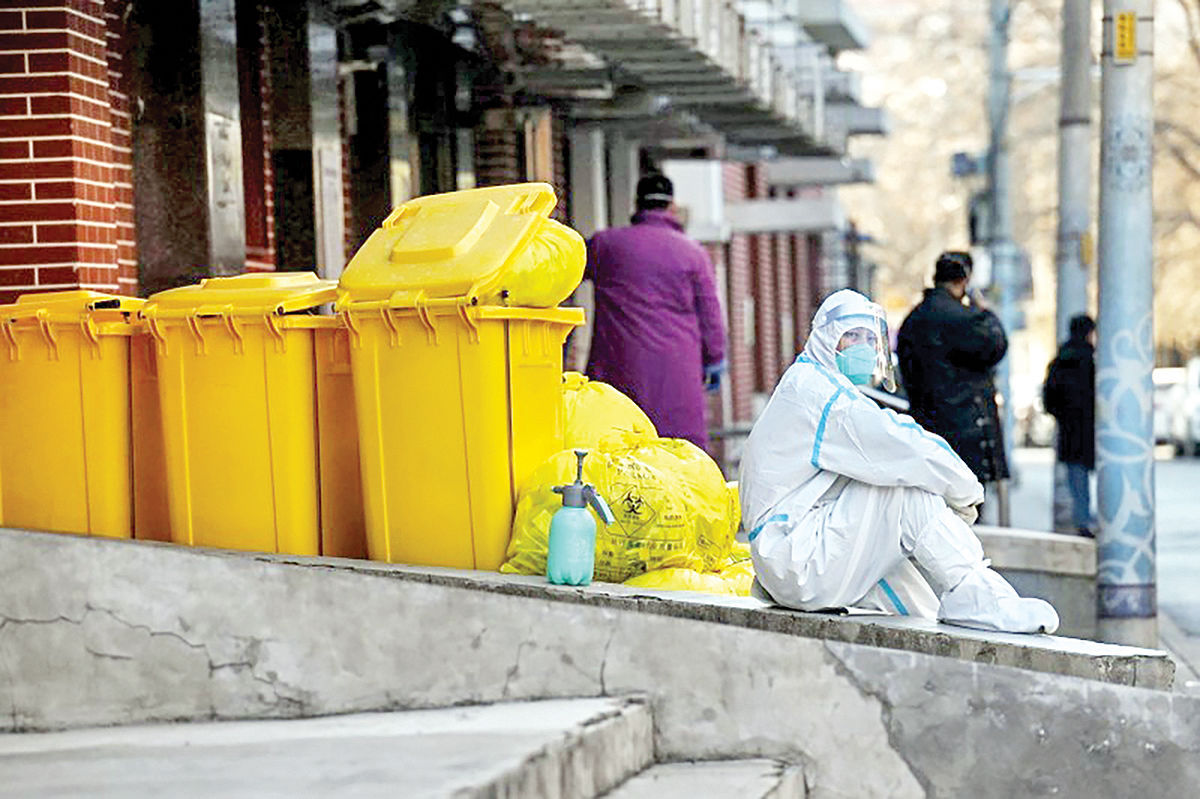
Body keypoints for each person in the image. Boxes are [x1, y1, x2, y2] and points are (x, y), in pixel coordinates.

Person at [740, 289, 1059, 633]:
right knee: (905, 494)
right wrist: (964, 488)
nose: (863, 346)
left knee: (917, 606)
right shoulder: (822, 396)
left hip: (795, 553)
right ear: (825, 339)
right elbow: (900, 444)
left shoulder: (810, 385)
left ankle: (956, 636)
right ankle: (976, 591)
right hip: (797, 558)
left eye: (869, 338)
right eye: (851, 337)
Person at [584, 173, 727, 450]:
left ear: (637, 206)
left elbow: (568, 268)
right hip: (678, 378)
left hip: (618, 372)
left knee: (616, 450)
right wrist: (715, 360)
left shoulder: (606, 245)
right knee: (678, 456)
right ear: (671, 207)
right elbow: (710, 313)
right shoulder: (693, 253)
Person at [897, 251, 1009, 493]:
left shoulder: (912, 320)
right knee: (967, 511)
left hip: (926, 431)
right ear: (965, 281)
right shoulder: (966, 319)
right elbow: (997, 344)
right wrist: (985, 310)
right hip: (968, 431)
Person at [1042, 314, 1097, 537]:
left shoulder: (1060, 360)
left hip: (1070, 429)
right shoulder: (1092, 361)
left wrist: (1063, 415)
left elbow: (1049, 398)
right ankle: (1087, 520)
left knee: (1077, 477)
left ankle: (1082, 518)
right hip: (1092, 427)